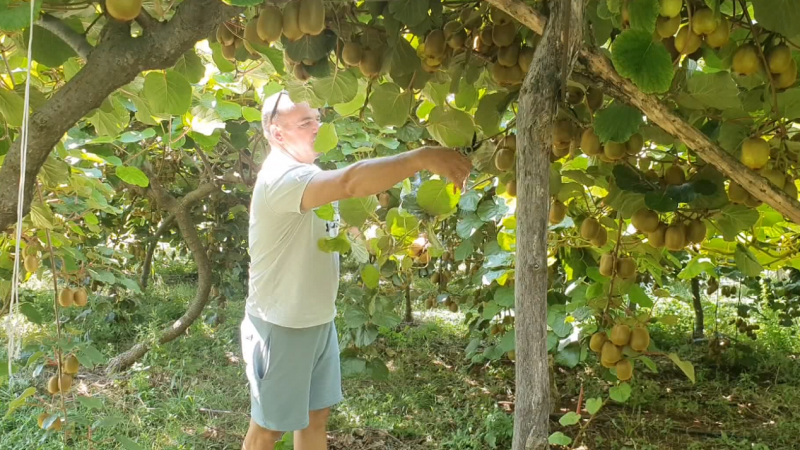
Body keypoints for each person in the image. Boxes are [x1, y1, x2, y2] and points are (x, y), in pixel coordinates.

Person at [240, 90, 472, 450]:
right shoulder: (281, 178)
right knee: (267, 431)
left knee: (316, 417)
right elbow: (350, 182)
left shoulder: (308, 174)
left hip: (317, 319)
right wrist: (422, 157)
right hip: (282, 324)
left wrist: (396, 242)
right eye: (305, 123)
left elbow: (345, 230)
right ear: (277, 133)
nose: (317, 127)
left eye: (317, 119)